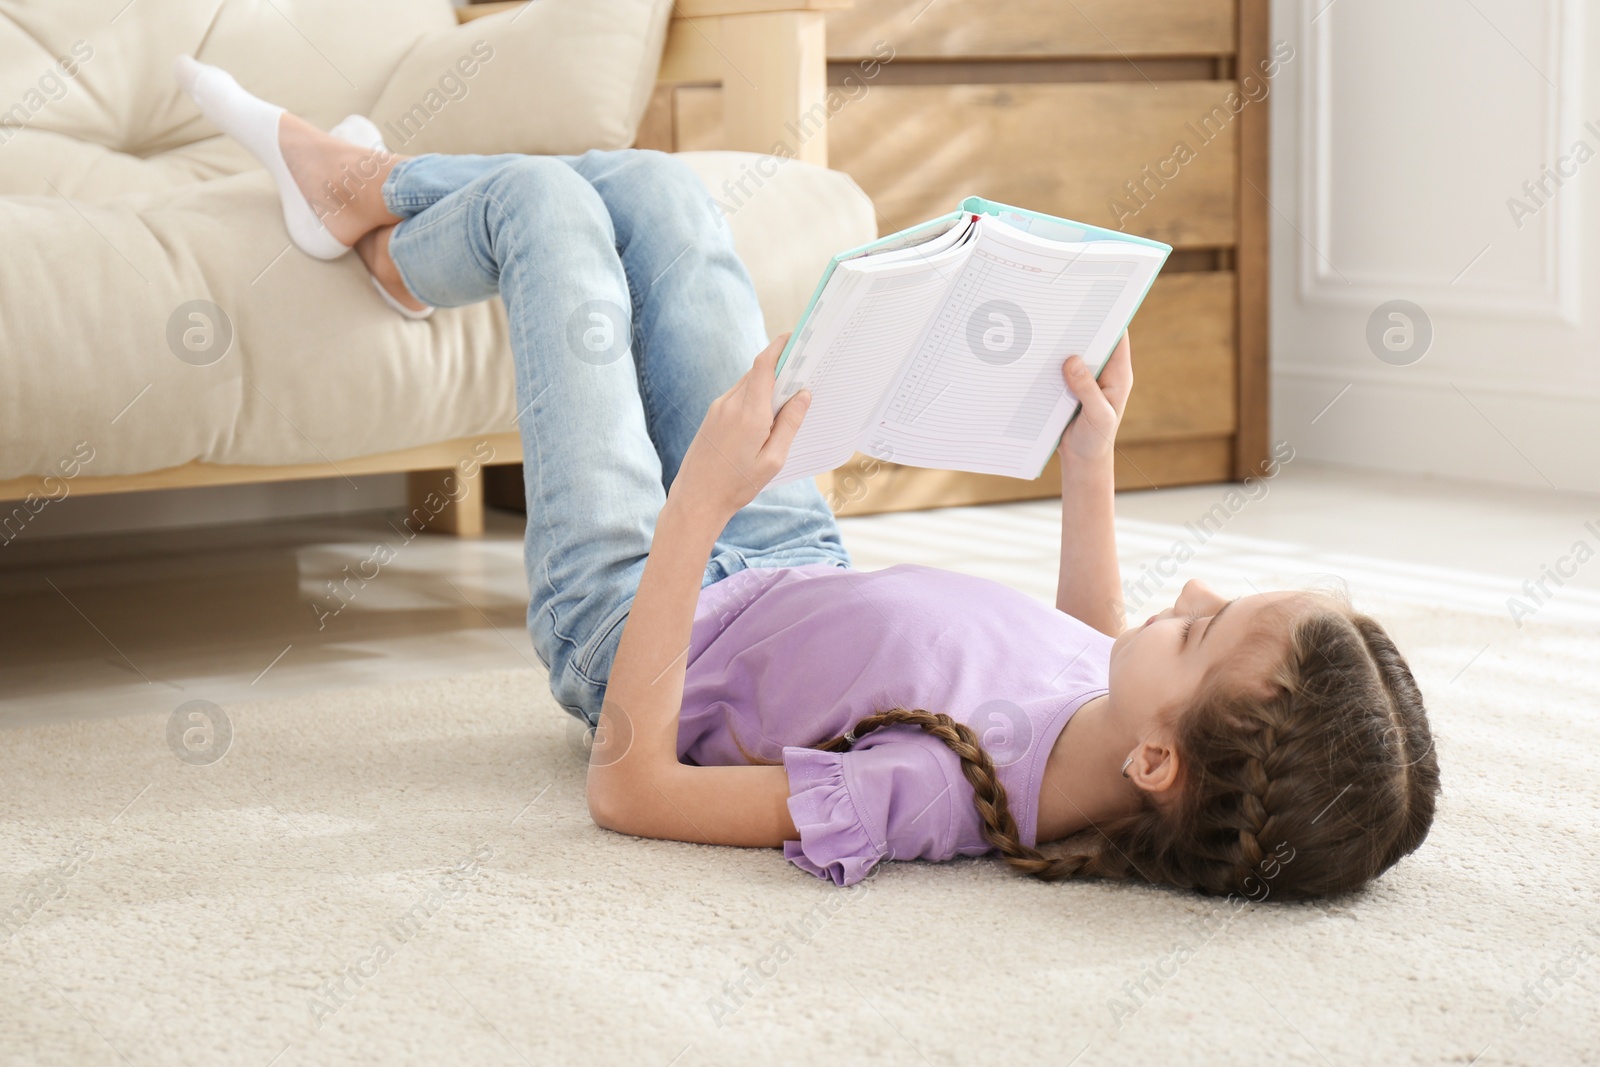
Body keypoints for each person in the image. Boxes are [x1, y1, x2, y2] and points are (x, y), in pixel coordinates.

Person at [176, 59, 1440, 901]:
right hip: (784, 546)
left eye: (1206, 626)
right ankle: (378, 225)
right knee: (662, 190)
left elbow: (630, 787)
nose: (1200, 584)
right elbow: (1083, 637)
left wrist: (698, 504)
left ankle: (366, 202)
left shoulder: (937, 790)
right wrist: (1091, 453)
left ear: (1161, 765)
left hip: (634, 600)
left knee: (555, 210)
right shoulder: (1116, 722)